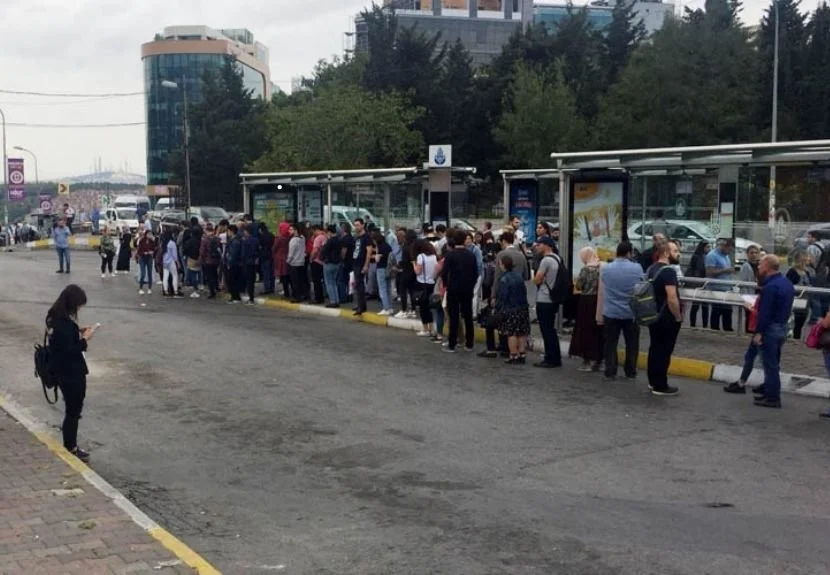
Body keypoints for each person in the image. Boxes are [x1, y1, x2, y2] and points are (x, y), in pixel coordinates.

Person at [47, 285, 93, 461]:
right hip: (71, 372)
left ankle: (70, 443)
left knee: (72, 409)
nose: (79, 309)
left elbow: (61, 342)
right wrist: (85, 340)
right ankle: (70, 446)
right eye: (79, 305)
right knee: (73, 411)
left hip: (61, 371)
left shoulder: (54, 319)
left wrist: (77, 331)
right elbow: (70, 350)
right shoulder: (64, 325)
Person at [752, 255, 795, 409]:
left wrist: (759, 332)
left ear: (767, 266)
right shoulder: (786, 283)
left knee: (770, 364)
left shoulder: (770, 287)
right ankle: (769, 391)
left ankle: (772, 397)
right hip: (782, 327)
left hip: (771, 328)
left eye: (761, 264)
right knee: (774, 361)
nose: (758, 267)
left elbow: (765, 313)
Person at [596, 241, 642, 381]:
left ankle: (610, 371)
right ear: (629, 252)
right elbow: (641, 285)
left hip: (611, 311)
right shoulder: (637, 268)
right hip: (631, 313)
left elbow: (604, 284)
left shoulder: (606, 269)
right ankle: (630, 371)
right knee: (632, 343)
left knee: (610, 343)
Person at [480, 230, 529, 359]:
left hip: (505, 296)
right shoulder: (521, 255)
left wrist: (493, 296)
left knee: (503, 324)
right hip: (519, 296)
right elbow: (526, 276)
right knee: (519, 327)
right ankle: (518, 351)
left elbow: (496, 278)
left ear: (503, 241)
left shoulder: (502, 254)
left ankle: (505, 349)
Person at [646, 241, 684, 396]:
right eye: (675, 250)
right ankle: (660, 385)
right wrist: (678, 316)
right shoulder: (668, 271)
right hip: (666, 317)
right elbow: (672, 298)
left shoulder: (651, 268)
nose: (678, 253)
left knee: (654, 348)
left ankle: (652, 380)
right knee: (664, 351)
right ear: (666, 253)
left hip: (653, 314)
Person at [441, 230, 478, 352]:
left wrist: (447, 285)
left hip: (453, 289)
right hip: (467, 289)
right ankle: (469, 343)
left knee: (454, 316)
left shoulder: (450, 255)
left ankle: (452, 344)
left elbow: (444, 273)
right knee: (467, 316)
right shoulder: (471, 255)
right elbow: (475, 273)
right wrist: (471, 285)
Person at [569, 247, 605, 372]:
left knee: (585, 330)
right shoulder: (601, 267)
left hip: (586, 301)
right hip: (599, 301)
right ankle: (599, 360)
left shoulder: (586, 269)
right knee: (597, 330)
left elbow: (579, 285)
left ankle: (588, 360)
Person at [532, 236, 563, 368]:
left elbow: (537, 280)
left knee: (546, 330)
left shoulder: (546, 260)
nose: (537, 247)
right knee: (551, 329)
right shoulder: (557, 258)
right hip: (553, 298)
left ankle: (550, 358)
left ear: (546, 245)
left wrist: (539, 279)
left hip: (544, 298)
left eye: (539, 245)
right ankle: (555, 357)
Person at [496, 253, 531, 364]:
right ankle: (522, 353)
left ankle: (513, 355)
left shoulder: (504, 279)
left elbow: (503, 296)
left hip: (510, 308)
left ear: (503, 265)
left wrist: (499, 308)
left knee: (511, 333)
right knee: (521, 332)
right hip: (522, 307)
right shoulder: (519, 276)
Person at [705, 238, 734, 331]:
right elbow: (709, 272)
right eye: (729, 248)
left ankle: (727, 328)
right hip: (716, 288)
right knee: (717, 311)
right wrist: (725, 270)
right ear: (723, 246)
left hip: (726, 288)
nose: (730, 251)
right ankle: (715, 329)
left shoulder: (726, 255)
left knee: (728, 311)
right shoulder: (712, 256)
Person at [413, 239, 438, 337]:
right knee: (429, 307)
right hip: (431, 283)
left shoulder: (420, 257)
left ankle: (425, 329)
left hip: (422, 283)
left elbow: (418, 271)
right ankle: (432, 328)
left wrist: (414, 265)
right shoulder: (434, 257)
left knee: (423, 308)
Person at [786, 251, 811, 340]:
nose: (809, 259)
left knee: (801, 321)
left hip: (805, 300)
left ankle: (797, 337)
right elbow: (788, 284)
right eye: (807, 257)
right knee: (793, 320)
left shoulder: (807, 272)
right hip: (795, 299)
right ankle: (792, 337)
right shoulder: (792, 271)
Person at [686, 241, 711, 328]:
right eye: (707, 247)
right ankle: (693, 324)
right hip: (698, 283)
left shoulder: (707, 257)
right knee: (696, 305)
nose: (709, 249)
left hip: (704, 283)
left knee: (705, 306)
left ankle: (704, 325)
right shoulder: (697, 257)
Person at [395, 230, 419, 319]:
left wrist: (398, 265)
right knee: (412, 291)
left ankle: (404, 310)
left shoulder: (406, 247)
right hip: (414, 271)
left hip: (406, 271)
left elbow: (404, 261)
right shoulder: (415, 246)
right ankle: (413, 310)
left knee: (403, 291)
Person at [352, 218, 373, 316]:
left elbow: (369, 252)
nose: (356, 227)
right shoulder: (357, 237)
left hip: (361, 264)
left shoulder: (366, 237)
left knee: (360, 286)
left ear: (362, 225)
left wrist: (366, 265)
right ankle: (360, 304)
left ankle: (362, 307)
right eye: (355, 225)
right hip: (356, 263)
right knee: (357, 285)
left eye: (358, 225)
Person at [373, 231, 394, 316]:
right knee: (388, 289)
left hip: (381, 268)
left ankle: (386, 308)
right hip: (388, 268)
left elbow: (377, 259)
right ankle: (391, 308)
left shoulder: (380, 247)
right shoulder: (388, 246)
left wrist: (375, 254)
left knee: (382, 289)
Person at [321, 225, 341, 308]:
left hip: (329, 263)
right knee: (334, 282)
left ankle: (333, 301)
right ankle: (336, 300)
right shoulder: (339, 240)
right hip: (337, 264)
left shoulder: (330, 241)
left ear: (329, 232)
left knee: (329, 283)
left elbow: (324, 251)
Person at [199, 223, 221, 299]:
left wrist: (201, 260)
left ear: (206, 231)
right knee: (215, 274)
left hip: (208, 260)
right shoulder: (217, 239)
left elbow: (202, 251)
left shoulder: (205, 240)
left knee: (209, 276)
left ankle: (212, 292)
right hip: (216, 260)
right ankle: (217, 287)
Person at [287, 224, 307, 303]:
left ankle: (296, 297)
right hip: (301, 262)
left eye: (291, 229)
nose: (289, 231)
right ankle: (303, 294)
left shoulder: (293, 240)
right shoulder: (302, 238)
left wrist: (288, 261)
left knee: (295, 281)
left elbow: (291, 253)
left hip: (294, 263)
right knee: (301, 280)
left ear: (295, 230)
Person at [225, 225, 243, 303]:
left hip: (233, 264)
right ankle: (234, 296)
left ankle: (235, 296)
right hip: (233, 263)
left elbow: (233, 254)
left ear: (231, 231)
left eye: (228, 231)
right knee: (232, 280)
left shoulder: (235, 241)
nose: (227, 233)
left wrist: (229, 262)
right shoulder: (233, 240)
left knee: (233, 280)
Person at [136, 230, 157, 295]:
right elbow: (139, 251)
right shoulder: (142, 241)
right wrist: (143, 253)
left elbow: (154, 249)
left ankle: (149, 288)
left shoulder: (152, 242)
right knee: (143, 273)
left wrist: (152, 252)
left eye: (150, 234)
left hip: (149, 258)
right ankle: (141, 288)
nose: (149, 235)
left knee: (149, 273)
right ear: (146, 234)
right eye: (148, 234)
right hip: (142, 258)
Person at [274, 222, 292, 299]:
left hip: (281, 258)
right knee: (289, 276)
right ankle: (291, 291)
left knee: (283, 275)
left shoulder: (279, 238)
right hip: (289, 257)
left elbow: (274, 248)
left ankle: (286, 292)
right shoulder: (290, 237)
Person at [241, 225, 259, 304]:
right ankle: (252, 297)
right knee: (252, 280)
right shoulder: (256, 240)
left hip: (247, 262)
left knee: (248, 281)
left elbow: (243, 253)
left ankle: (251, 298)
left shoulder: (245, 241)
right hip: (253, 262)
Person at [162, 231, 182, 298]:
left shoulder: (163, 243)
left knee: (165, 276)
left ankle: (165, 291)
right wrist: (178, 262)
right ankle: (175, 291)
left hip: (164, 261)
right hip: (171, 261)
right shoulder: (172, 243)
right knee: (175, 275)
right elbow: (174, 255)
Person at [310, 225, 327, 304]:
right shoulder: (325, 237)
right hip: (323, 261)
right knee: (322, 280)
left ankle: (318, 298)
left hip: (316, 261)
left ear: (315, 230)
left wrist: (311, 258)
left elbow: (315, 250)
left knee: (316, 281)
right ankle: (322, 296)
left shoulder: (318, 238)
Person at [258, 223, 275, 295]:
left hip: (264, 256)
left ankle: (267, 289)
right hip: (271, 255)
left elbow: (260, 247)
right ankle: (272, 288)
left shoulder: (262, 236)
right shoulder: (271, 235)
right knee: (271, 273)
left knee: (266, 274)